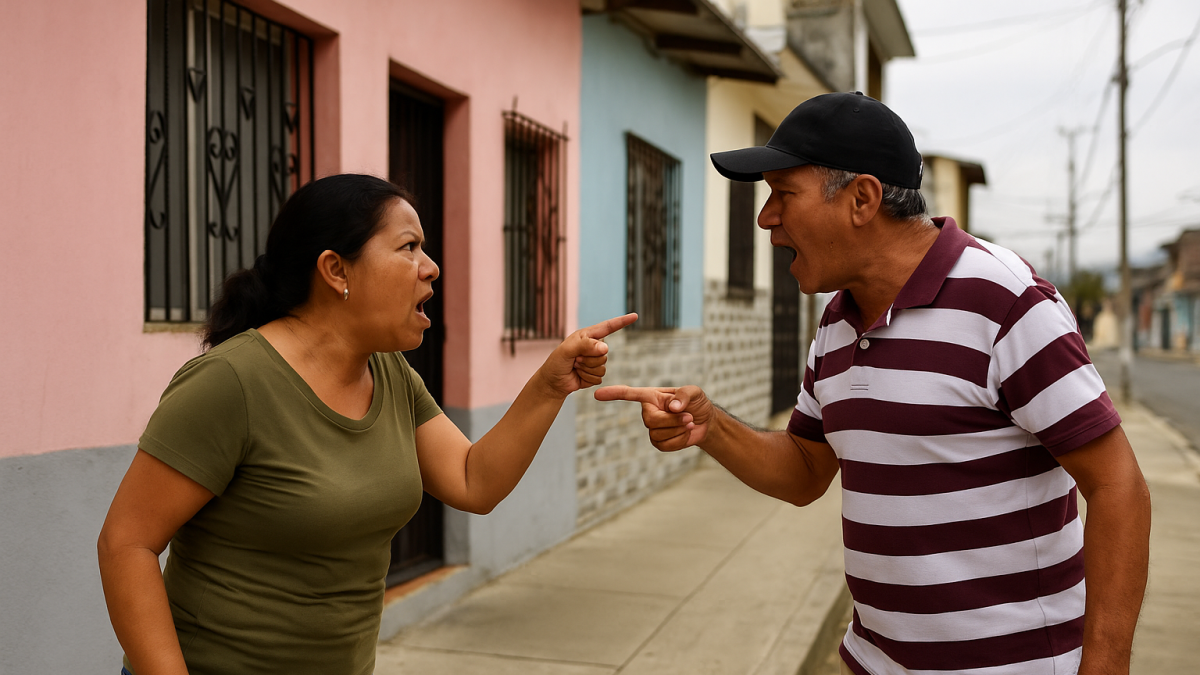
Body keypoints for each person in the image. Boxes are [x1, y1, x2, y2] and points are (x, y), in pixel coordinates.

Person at [596, 92, 1151, 675]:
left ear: (862, 198)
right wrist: (710, 427)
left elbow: (1119, 489)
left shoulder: (1005, 302)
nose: (766, 219)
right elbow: (806, 471)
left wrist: (1105, 665)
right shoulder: (839, 320)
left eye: (783, 194)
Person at [97, 173, 637, 675]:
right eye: (409, 247)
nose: (431, 266)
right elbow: (126, 544)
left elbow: (474, 481)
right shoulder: (232, 382)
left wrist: (549, 384)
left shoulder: (389, 373)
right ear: (336, 270)